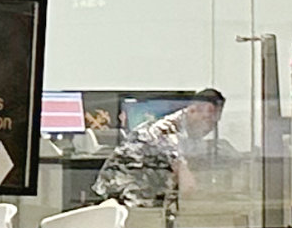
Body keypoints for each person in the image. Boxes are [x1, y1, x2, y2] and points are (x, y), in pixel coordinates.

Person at [90, 90, 225, 209]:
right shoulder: (167, 132)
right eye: (209, 120)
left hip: (138, 193)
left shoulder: (179, 128)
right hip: (126, 198)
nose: (210, 128)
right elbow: (188, 187)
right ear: (192, 110)